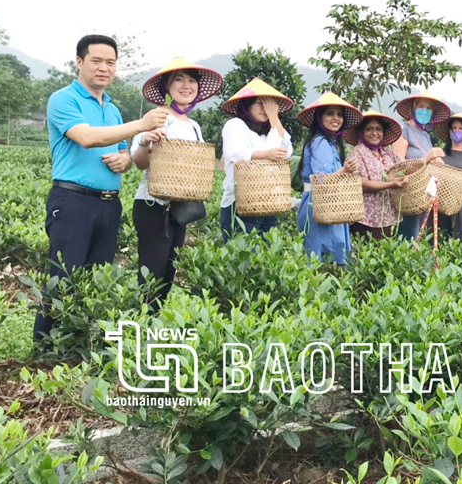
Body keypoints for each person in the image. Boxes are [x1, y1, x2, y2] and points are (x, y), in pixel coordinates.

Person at [34, 34, 169, 345]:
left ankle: (81, 346)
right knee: (63, 279)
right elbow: (87, 137)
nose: (104, 68)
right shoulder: (63, 99)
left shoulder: (112, 108)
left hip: (108, 204)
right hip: (73, 201)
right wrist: (142, 124)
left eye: (110, 62)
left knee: (96, 280)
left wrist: (123, 160)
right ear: (80, 62)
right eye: (96, 60)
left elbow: (123, 153)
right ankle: (45, 349)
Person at [131, 58, 223, 310]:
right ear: (167, 87)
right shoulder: (157, 117)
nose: (187, 85)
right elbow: (139, 163)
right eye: (179, 80)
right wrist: (145, 142)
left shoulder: (194, 126)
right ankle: (141, 324)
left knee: (169, 270)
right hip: (152, 205)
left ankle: (154, 322)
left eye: (192, 80)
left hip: (180, 209)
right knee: (151, 270)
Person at [219, 78, 295, 241]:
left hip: (268, 205)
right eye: (259, 103)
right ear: (247, 106)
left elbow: (286, 151)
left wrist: (275, 118)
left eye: (268, 106)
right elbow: (234, 152)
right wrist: (267, 155)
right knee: (242, 261)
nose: (264, 109)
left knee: (266, 260)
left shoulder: (267, 133)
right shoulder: (236, 124)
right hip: (239, 204)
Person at [296, 92, 363, 264]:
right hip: (318, 204)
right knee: (320, 262)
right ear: (320, 117)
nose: (336, 118)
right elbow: (321, 180)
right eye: (330, 113)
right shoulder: (320, 142)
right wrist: (345, 170)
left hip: (330, 204)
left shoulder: (330, 144)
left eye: (339, 115)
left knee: (326, 261)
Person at [391, 89, 448, 239]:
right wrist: (427, 158)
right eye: (421, 106)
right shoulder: (404, 130)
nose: (425, 111)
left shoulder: (425, 135)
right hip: (409, 195)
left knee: (418, 237)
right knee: (408, 237)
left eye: (428, 108)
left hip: (423, 195)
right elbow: (398, 167)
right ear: (413, 109)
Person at [345, 111, 406, 240]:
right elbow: (363, 183)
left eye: (378, 129)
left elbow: (406, 167)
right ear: (361, 132)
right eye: (369, 129)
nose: (374, 133)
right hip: (366, 218)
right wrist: (391, 184)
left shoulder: (388, 153)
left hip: (389, 215)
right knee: (368, 255)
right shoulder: (357, 153)